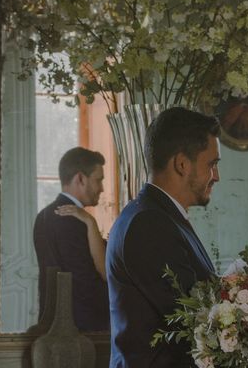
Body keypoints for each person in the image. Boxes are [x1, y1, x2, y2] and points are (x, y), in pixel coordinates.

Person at [106, 107, 221, 367]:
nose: (216, 177)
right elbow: (193, 321)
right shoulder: (149, 223)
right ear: (182, 164)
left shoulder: (158, 215)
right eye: (212, 164)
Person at [33, 147, 109, 331]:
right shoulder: (71, 220)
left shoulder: (45, 214)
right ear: (80, 179)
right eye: (98, 180)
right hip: (82, 327)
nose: (102, 188)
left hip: (54, 323)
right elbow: (84, 280)